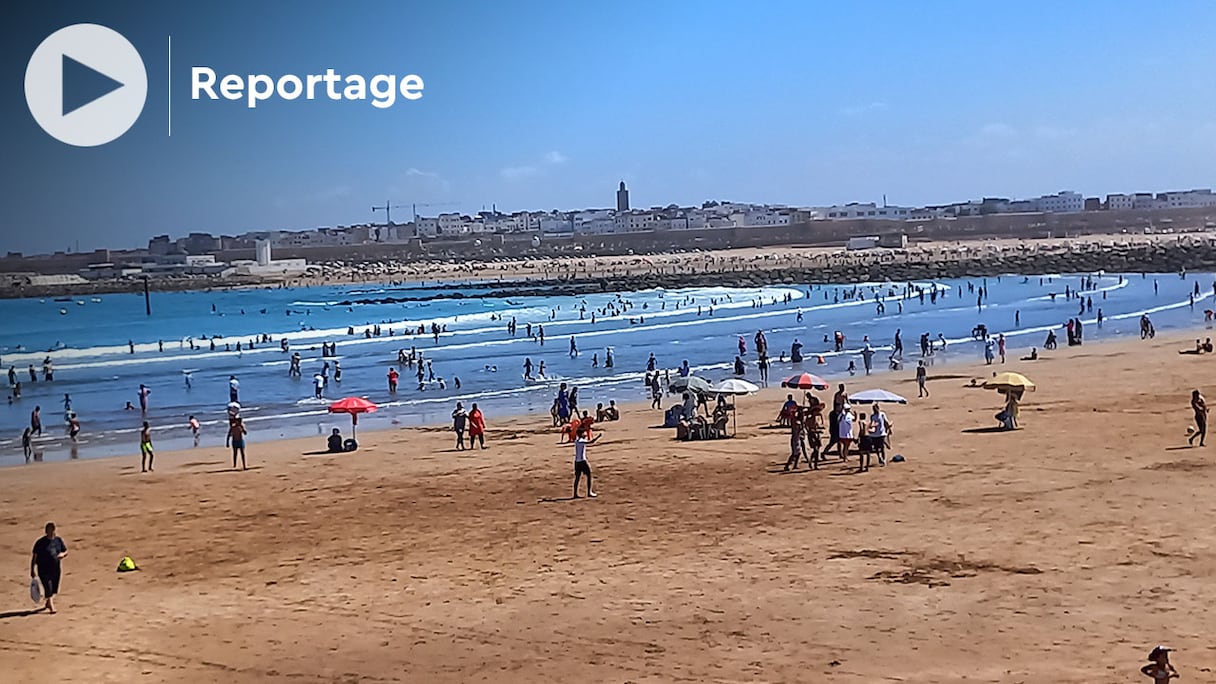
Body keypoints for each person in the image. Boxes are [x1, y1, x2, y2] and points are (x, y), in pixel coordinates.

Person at [31, 522, 67, 613]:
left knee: (54, 587)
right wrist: (32, 569)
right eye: (48, 530)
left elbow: (65, 551)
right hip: (43, 568)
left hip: (55, 568)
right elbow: (35, 556)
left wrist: (62, 555)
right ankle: (51, 605)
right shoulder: (40, 542)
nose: (50, 532)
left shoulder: (58, 540)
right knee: (48, 586)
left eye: (51, 530)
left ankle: (48, 602)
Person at [570, 428, 600, 498]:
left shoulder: (576, 441)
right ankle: (589, 492)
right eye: (583, 433)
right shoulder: (581, 440)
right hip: (582, 461)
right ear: (581, 434)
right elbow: (591, 442)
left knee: (577, 477)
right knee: (589, 475)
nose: (585, 434)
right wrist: (598, 437)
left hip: (577, 462)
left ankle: (575, 493)